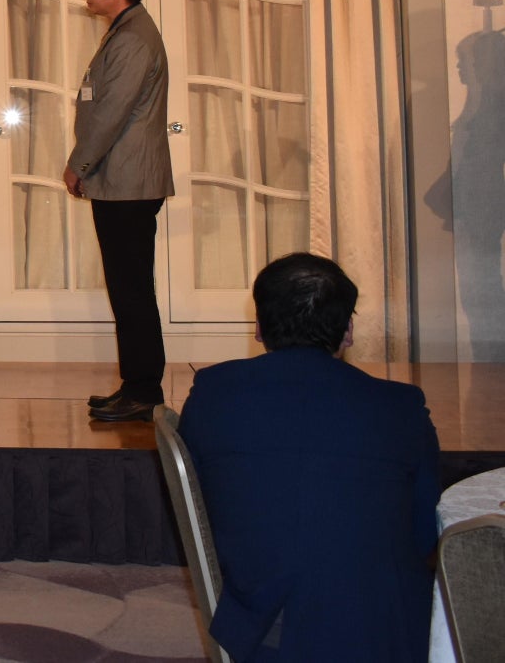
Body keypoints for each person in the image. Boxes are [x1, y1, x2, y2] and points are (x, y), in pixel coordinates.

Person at [179, 253, 438, 662]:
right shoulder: (401, 407)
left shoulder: (213, 391)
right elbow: (424, 532)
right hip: (383, 632)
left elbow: (205, 512)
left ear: (259, 327)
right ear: (348, 331)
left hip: (263, 630)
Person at [62, 0, 174, 422]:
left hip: (128, 183)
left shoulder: (133, 38)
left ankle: (144, 390)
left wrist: (78, 164)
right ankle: (135, 385)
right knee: (127, 288)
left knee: (131, 290)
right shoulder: (126, 31)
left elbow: (111, 113)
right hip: (120, 181)